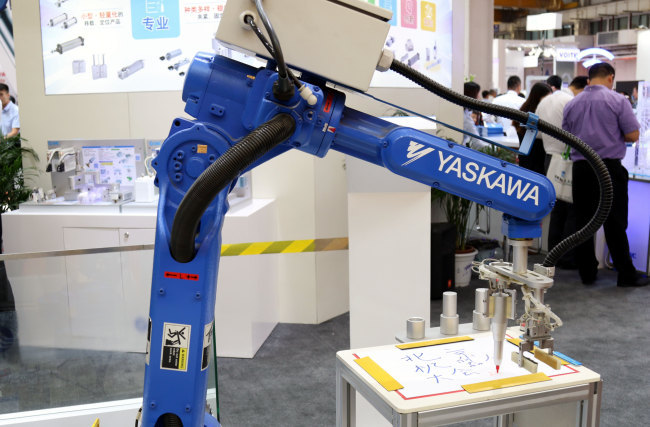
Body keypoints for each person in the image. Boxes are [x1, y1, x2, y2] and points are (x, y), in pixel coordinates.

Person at [562, 63, 648, 287]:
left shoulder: (572, 103)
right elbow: (632, 134)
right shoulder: (618, 101)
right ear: (611, 78)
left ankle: (587, 272)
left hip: (581, 169)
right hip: (608, 169)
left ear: (589, 79)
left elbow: (566, 135)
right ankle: (625, 274)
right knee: (615, 222)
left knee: (583, 222)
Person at [536, 75, 588, 269]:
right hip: (567, 160)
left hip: (549, 158)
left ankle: (553, 253)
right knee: (572, 209)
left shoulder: (546, 100)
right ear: (582, 88)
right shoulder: (571, 101)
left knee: (556, 209)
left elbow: (539, 134)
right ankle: (566, 257)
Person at [513, 82, 551, 176]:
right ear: (539, 97)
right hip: (537, 162)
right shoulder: (536, 115)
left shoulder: (524, 111)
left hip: (526, 159)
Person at [463, 82, 487, 150]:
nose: (479, 98)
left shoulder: (464, 113)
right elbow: (477, 144)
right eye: (477, 95)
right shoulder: (466, 119)